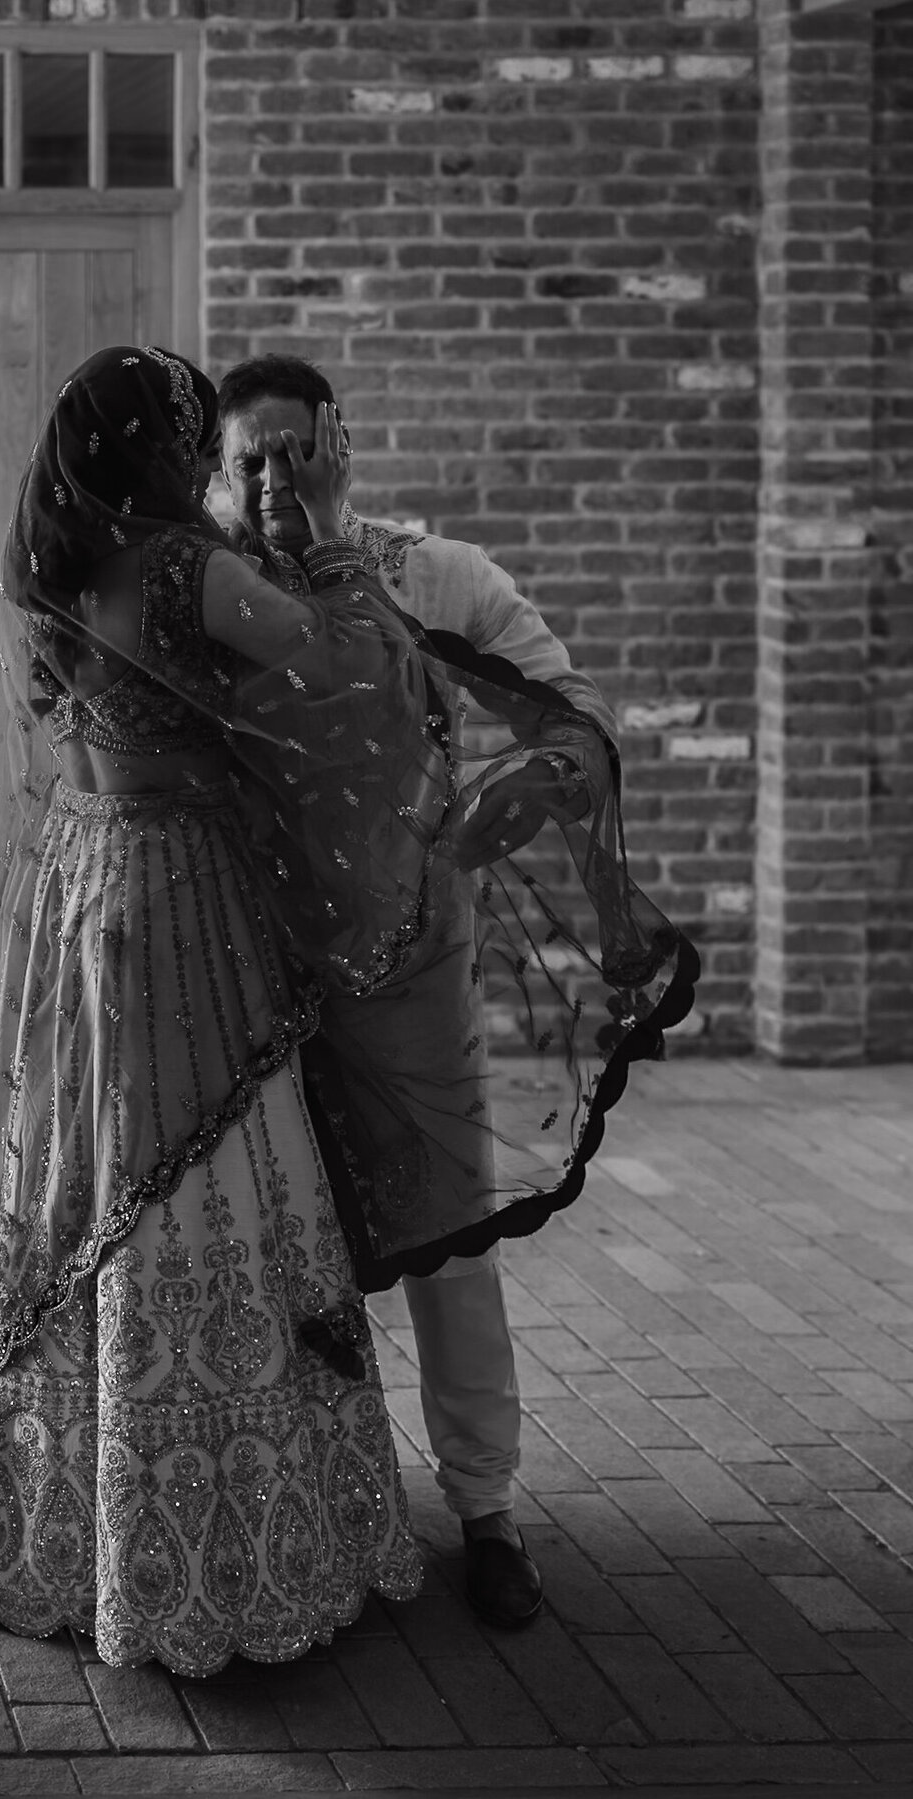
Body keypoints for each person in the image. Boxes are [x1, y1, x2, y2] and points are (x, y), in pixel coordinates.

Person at [0, 346, 464, 1675]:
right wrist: (315, 547)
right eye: (200, 438)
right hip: (179, 896)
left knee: (48, 1168)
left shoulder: (42, 566)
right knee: (202, 1175)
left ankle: (34, 1528)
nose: (214, 462)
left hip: (67, 880)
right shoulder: (182, 567)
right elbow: (328, 669)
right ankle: (202, 1542)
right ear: (155, 447)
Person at [216, 353, 696, 1631]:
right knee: (267, 1239)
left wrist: (484, 816)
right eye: (247, 460)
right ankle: (297, 1506)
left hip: (413, 963)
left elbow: (576, 717)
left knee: (447, 1236)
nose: (272, 481)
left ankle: (486, 1506)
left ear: (341, 442)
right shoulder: (205, 586)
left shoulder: (436, 577)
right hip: (255, 965)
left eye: (293, 452)